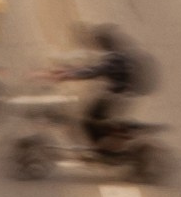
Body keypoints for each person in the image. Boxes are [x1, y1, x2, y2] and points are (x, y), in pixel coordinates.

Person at [50, 23, 142, 152]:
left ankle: (99, 150)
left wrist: (68, 75)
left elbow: (94, 71)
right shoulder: (121, 55)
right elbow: (92, 68)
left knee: (88, 120)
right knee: (101, 119)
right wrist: (69, 71)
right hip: (124, 95)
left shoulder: (113, 59)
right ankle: (111, 142)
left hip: (115, 96)